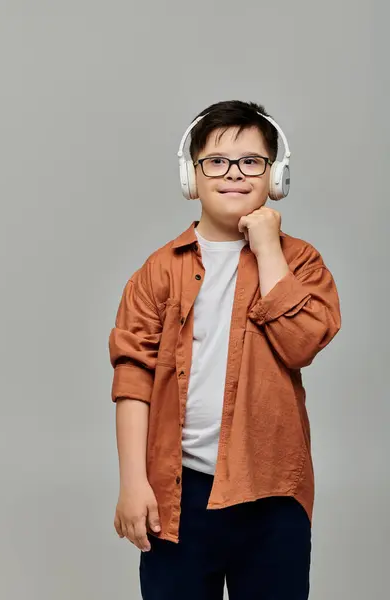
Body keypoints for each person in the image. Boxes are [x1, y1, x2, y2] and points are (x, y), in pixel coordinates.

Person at [108, 99, 341, 600]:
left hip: (271, 489)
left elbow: (301, 343)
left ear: (274, 174)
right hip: (178, 493)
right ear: (191, 177)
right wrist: (133, 483)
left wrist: (268, 247)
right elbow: (134, 376)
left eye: (251, 161)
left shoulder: (300, 262)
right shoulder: (158, 271)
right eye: (216, 161)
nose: (233, 173)